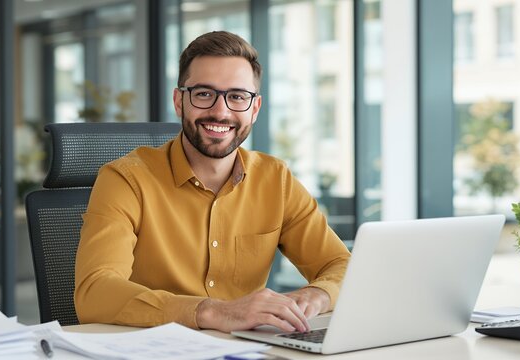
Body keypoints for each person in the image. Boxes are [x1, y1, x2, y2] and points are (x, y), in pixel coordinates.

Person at [75, 31, 351, 333]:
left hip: (247, 350)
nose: (221, 112)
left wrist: (316, 295)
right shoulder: (125, 180)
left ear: (254, 109)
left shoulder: (276, 180)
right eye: (204, 94)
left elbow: (342, 265)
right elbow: (94, 292)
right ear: (180, 101)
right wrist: (212, 312)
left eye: (237, 97)